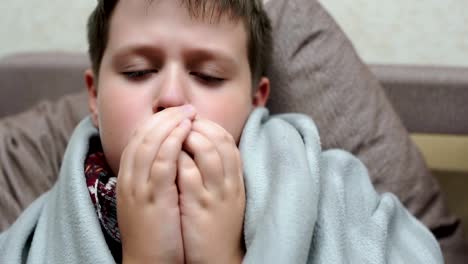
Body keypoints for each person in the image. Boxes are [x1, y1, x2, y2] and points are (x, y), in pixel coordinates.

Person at [0, 0, 443, 263]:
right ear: (94, 98)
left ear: (257, 98)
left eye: (209, 75)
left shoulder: (329, 189)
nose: (171, 97)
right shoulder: (36, 233)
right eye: (138, 71)